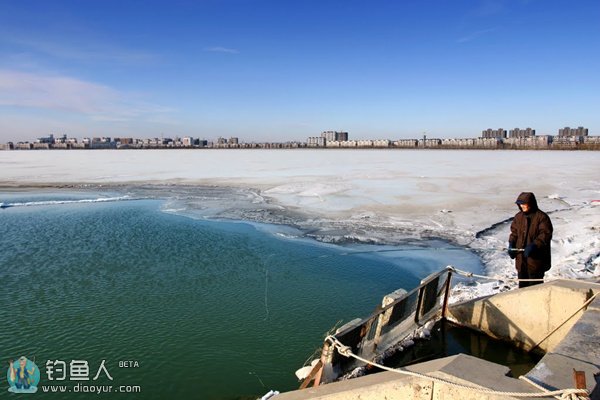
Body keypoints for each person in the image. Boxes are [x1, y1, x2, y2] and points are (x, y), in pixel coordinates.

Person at [508, 192, 553, 288]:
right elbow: (514, 233)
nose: (522, 206)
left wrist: (534, 245)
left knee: (535, 289)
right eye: (520, 204)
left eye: (524, 204)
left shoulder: (542, 217)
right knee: (522, 288)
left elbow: (545, 234)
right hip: (521, 261)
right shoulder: (518, 217)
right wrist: (511, 244)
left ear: (531, 203)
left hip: (536, 262)